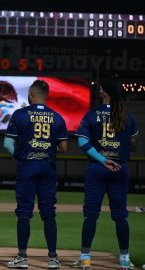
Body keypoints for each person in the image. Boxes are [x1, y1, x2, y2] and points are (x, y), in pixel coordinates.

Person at [72, 78, 138, 270]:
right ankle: (125, 259)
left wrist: (102, 159)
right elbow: (133, 143)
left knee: (91, 215)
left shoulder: (93, 114)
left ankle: (85, 259)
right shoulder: (127, 116)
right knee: (120, 216)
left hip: (98, 168)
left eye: (101, 89)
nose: (99, 91)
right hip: (119, 169)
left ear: (106, 92)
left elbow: (83, 143)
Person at [4, 80, 68, 269]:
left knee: (24, 212)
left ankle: (22, 258)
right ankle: (53, 259)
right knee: (48, 212)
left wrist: (20, 156)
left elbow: (8, 144)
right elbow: (63, 147)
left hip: (28, 166)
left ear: (32, 93)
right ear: (45, 95)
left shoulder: (20, 114)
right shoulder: (57, 117)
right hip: (47, 168)